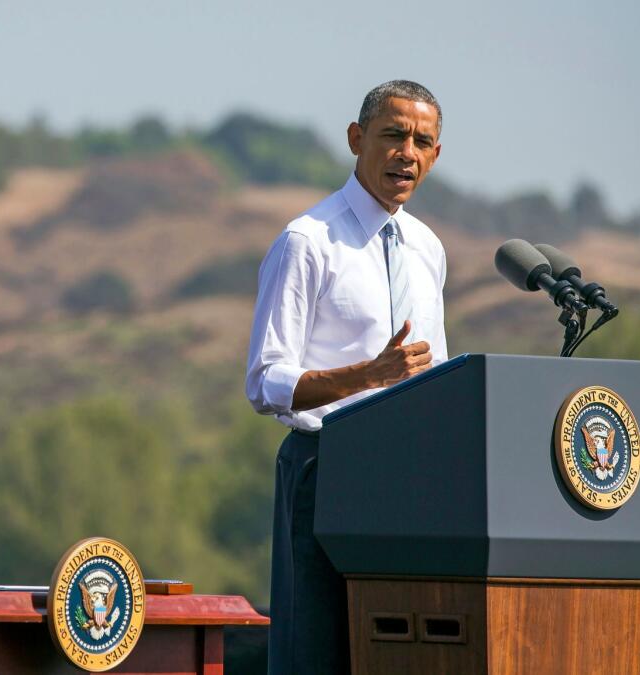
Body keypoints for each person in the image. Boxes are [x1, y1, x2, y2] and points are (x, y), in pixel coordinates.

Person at [244, 80, 449, 673]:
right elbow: (266, 380)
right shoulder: (308, 242)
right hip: (326, 468)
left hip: (414, 476)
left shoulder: (428, 248)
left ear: (436, 156)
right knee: (318, 650)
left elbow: (433, 372)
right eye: (393, 135)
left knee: (395, 650)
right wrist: (366, 375)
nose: (407, 152)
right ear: (357, 140)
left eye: (423, 141)